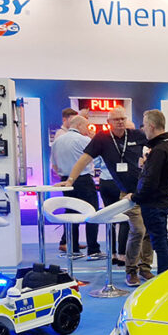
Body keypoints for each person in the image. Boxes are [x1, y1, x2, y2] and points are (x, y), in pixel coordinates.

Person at [58, 106, 154, 286]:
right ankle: (131, 270)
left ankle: (145, 267)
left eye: (122, 119)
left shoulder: (135, 135)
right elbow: (84, 159)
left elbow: (156, 148)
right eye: (116, 119)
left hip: (144, 190)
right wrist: (70, 180)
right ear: (108, 122)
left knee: (149, 230)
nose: (120, 122)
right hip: (127, 194)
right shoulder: (102, 139)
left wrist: (148, 159)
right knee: (138, 230)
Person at [49, 114, 103, 260]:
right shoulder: (84, 140)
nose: (87, 129)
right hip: (83, 179)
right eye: (86, 126)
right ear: (79, 126)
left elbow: (54, 164)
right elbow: (97, 159)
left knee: (71, 213)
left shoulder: (57, 141)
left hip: (65, 180)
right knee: (92, 213)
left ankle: (73, 249)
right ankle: (93, 249)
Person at [132, 109, 168, 276]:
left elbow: (151, 180)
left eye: (144, 126)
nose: (143, 129)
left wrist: (136, 196)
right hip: (161, 202)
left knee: (159, 242)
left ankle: (165, 278)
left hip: (154, 203)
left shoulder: (160, 150)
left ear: (151, 126)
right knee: (162, 241)